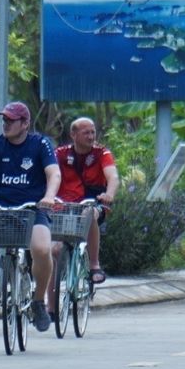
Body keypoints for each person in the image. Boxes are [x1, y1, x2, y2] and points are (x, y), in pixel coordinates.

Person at [0, 101, 60, 332]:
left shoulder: (40, 144)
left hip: (33, 207)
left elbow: (53, 173)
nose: (6, 124)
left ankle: (38, 300)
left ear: (25, 124)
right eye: (4, 119)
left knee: (41, 249)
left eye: (11, 120)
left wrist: (49, 196)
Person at [54, 117, 119, 286]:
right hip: (65, 204)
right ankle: (48, 298)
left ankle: (94, 265)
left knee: (88, 213)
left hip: (94, 201)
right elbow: (49, 174)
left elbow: (113, 177)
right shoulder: (60, 154)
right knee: (55, 249)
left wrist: (109, 194)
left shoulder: (102, 153)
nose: (91, 137)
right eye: (86, 133)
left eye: (93, 132)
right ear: (73, 135)